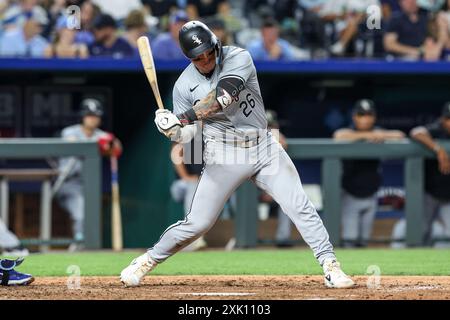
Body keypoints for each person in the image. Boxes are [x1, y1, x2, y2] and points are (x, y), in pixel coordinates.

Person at [120, 20, 354, 289]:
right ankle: (147, 260)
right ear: (190, 58)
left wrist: (181, 117)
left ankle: (330, 265)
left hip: (263, 145)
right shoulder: (184, 85)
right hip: (223, 152)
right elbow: (187, 135)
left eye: (210, 52)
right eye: (200, 57)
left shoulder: (237, 56)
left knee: (299, 205)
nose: (207, 59)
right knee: (198, 223)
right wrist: (171, 129)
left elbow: (223, 96)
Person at [333, 99, 405, 247]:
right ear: (354, 117)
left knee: (364, 241)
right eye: (361, 115)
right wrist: (367, 136)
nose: (365, 119)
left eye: (368, 115)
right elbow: (338, 136)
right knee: (350, 240)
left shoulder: (378, 132)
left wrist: (381, 135)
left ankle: (359, 271)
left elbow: (400, 135)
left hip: (371, 195)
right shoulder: (349, 131)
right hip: (350, 195)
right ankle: (348, 269)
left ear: (374, 117)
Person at [55, 98, 122, 251]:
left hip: (89, 185)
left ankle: (84, 245)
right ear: (83, 116)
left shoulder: (101, 134)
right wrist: (99, 143)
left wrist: (111, 142)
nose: (93, 119)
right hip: (67, 183)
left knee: (90, 216)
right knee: (81, 212)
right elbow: (74, 144)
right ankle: (79, 244)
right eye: (89, 115)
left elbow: (117, 148)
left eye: (96, 116)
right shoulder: (69, 132)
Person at [392, 102, 450, 247]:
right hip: (430, 191)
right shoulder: (436, 129)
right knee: (421, 231)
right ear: (442, 119)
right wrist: (438, 148)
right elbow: (416, 132)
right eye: (449, 119)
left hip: (449, 196)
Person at [170, 125, 207, 251]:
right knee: (194, 186)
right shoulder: (186, 128)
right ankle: (193, 237)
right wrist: (185, 176)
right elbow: (176, 152)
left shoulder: (213, 132)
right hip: (182, 185)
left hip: (204, 185)